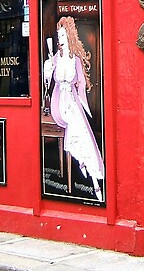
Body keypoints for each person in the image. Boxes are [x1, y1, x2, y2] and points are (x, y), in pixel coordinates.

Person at [42, 16, 105, 201]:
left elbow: (80, 84)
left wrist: (79, 95)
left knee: (81, 133)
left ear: (68, 36)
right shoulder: (54, 59)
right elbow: (47, 87)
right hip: (59, 101)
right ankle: (83, 164)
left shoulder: (75, 59)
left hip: (71, 100)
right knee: (74, 128)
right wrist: (47, 72)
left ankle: (92, 175)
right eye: (58, 35)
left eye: (62, 35)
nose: (59, 38)